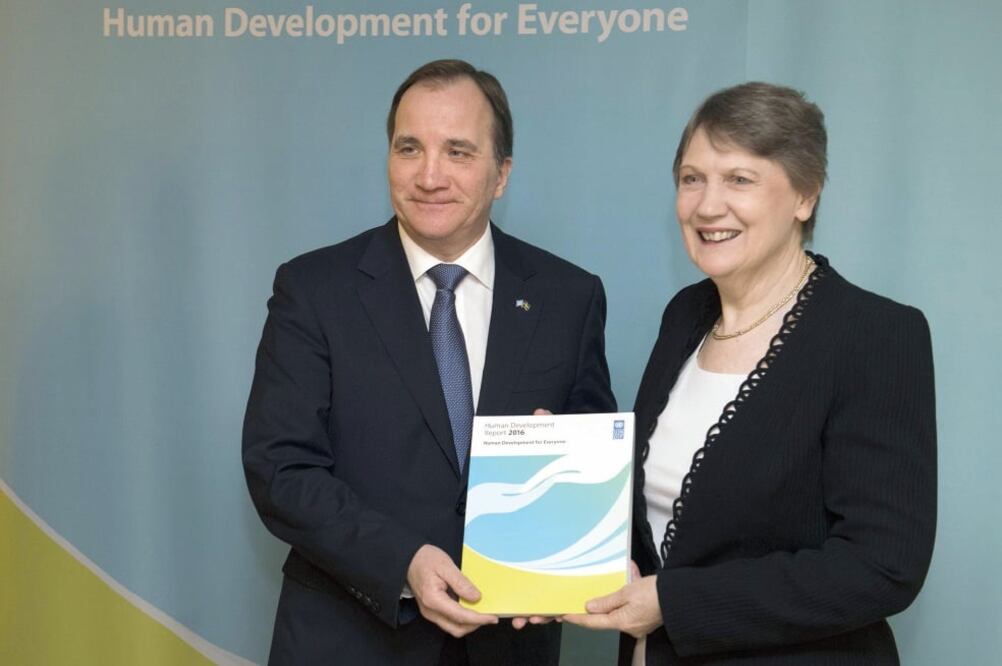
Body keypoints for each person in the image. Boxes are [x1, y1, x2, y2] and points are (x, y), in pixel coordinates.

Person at [241, 59, 616, 665]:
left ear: (502, 174)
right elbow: (280, 470)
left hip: (510, 646)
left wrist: (564, 477)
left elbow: (589, 466)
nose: (429, 175)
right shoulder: (315, 289)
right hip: (351, 641)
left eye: (459, 152)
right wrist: (404, 563)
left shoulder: (568, 297)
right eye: (409, 148)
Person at [564, 82, 936, 664]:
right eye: (692, 179)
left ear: (805, 195)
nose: (708, 205)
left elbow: (882, 566)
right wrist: (561, 467)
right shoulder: (686, 314)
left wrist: (674, 602)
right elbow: (664, 523)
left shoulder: (875, 333)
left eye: (740, 179)